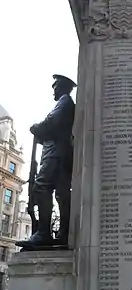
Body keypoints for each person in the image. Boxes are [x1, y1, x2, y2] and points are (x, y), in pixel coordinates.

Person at [16, 74, 76, 249]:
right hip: (60, 152)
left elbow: (51, 123)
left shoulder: (65, 102)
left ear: (63, 88)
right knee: (61, 194)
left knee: (42, 187)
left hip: (55, 153)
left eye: (56, 87)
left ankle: (43, 234)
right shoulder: (64, 103)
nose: (53, 91)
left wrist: (36, 127)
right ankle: (63, 233)